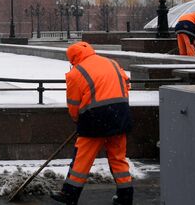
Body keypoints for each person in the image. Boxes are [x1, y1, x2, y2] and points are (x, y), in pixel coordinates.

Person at [51, 42, 133, 205]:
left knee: (82, 159)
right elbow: (127, 84)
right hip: (120, 114)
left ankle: (69, 195)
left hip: (95, 119)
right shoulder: (111, 62)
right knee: (118, 157)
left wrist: (78, 120)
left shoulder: (76, 73)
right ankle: (125, 196)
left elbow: (73, 104)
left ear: (73, 58)